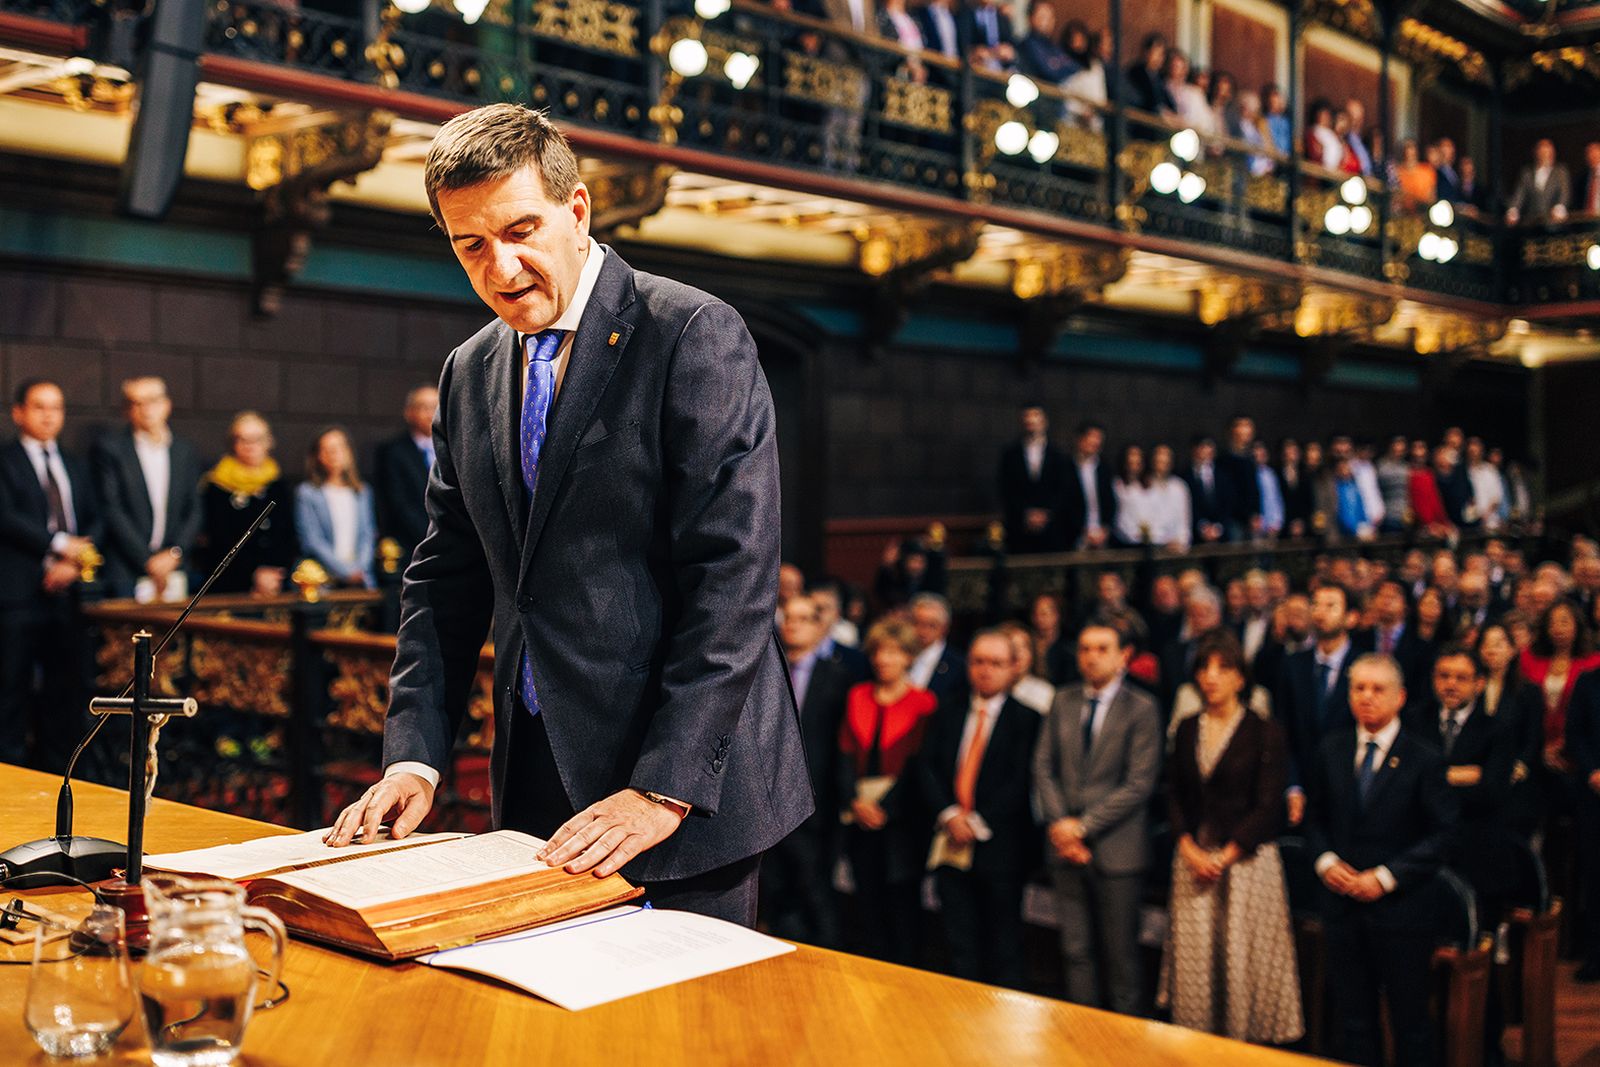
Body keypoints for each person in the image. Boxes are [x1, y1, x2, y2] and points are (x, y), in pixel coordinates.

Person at [326, 105, 812, 925]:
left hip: (681, 782)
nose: (501, 267)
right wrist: (414, 757)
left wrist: (665, 785)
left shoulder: (693, 332)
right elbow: (445, 576)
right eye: (469, 245)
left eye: (521, 229)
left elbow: (732, 583)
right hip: (536, 769)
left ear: (577, 209)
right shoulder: (468, 368)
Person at [1305, 654, 1456, 1067]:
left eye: (1377, 690)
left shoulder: (1423, 757)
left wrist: (1387, 877)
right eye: (1358, 688)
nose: (1366, 698)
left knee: (1411, 1024)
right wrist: (1325, 861)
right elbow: (1313, 818)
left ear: (1400, 697)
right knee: (1353, 1022)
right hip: (1342, 908)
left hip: (1401, 911)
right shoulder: (1331, 748)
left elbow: (1443, 835)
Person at [1161, 631, 1303, 1044]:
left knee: (1242, 962)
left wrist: (1225, 855)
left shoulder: (1265, 731)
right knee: (1198, 967)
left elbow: (1268, 804)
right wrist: (1187, 846)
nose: (1211, 677)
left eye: (1223, 669)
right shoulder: (1187, 728)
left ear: (1241, 678)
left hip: (1245, 862)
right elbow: (1173, 793)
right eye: (1204, 669)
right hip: (1193, 859)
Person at [1033, 623, 1162, 1015]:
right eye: (1085, 648)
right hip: (1063, 846)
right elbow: (1042, 766)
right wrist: (1060, 825)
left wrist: (1082, 827)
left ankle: (1124, 1050)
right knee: (1075, 951)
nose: (1091, 656)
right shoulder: (1063, 699)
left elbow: (1139, 783)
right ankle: (1080, 1041)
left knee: (1120, 956)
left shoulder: (1142, 707)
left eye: (1102, 648)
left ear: (1124, 655)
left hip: (1117, 850)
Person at [918, 631, 1042, 987]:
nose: (986, 670)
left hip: (1000, 847)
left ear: (1013, 667)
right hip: (949, 840)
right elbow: (926, 766)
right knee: (958, 941)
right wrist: (949, 814)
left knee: (1003, 944)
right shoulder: (949, 709)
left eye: (996, 663)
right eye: (979, 661)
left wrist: (974, 821)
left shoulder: (1027, 718)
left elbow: (1021, 780)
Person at [0, 379, 102, 772]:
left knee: (64, 698)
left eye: (56, 407)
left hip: (70, 597)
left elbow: (96, 518)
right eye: (39, 406)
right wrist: (59, 544)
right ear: (18, 412)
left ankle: (57, 781)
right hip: (18, 596)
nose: (48, 415)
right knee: (11, 695)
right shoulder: (6, 460)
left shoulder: (74, 463)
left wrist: (74, 562)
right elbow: (7, 517)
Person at [838, 618, 938, 964]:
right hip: (858, 817)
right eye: (879, 651)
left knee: (903, 905)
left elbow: (920, 766)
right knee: (867, 902)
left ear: (909, 657)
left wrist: (886, 810)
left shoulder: (924, 703)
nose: (884, 659)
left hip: (904, 824)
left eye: (894, 652)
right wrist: (855, 800)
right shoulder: (857, 696)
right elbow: (844, 755)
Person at [764, 593, 852, 947]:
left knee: (816, 892)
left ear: (821, 626)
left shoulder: (838, 676)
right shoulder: (769, 670)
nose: (793, 625)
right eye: (789, 618)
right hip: (771, 801)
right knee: (776, 891)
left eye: (803, 618)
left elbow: (841, 748)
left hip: (818, 804)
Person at [91, 375, 203, 601]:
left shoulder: (185, 450)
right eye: (136, 403)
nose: (146, 409)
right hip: (127, 569)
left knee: (175, 634)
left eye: (152, 400)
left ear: (167, 404)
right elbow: (111, 509)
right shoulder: (111, 449)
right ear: (126, 410)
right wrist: (147, 560)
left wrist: (175, 553)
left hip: (175, 567)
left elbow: (194, 509)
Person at [1278, 583, 1364, 827]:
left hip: (1352, 789)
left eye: (1331, 606)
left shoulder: (1365, 665)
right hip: (1303, 790)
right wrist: (1292, 786)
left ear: (1351, 617)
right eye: (1315, 604)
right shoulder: (1293, 665)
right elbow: (1285, 730)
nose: (1320, 612)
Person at [196, 411, 297, 596]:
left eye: (257, 439)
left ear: (268, 442)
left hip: (275, 585)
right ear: (233, 443)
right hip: (232, 586)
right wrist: (254, 574)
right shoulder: (216, 485)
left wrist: (273, 572)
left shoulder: (278, 484)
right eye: (242, 439)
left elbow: (288, 535)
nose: (250, 446)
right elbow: (219, 539)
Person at [295, 426, 377, 589]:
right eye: (327, 450)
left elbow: (368, 534)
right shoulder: (308, 493)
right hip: (323, 578)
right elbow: (312, 539)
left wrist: (360, 568)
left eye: (339, 448)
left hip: (360, 577)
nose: (334, 455)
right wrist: (345, 571)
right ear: (317, 455)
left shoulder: (361, 491)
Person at [373, 385, 439, 566]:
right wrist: (433, 535)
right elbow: (399, 503)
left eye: (435, 407)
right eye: (424, 407)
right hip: (411, 547)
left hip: (450, 546)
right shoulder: (393, 452)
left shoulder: (453, 451)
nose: (430, 413)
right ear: (409, 412)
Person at [1565, 664, 1600, 980]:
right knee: (1594, 876)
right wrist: (1592, 771)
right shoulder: (1588, 682)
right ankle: (1595, 954)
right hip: (1595, 793)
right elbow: (1575, 732)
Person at [999, 405, 1070, 554]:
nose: (1031, 421)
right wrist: (1026, 514)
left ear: (1044, 422)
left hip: (1051, 529)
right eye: (1027, 418)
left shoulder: (1058, 455)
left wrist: (1046, 514)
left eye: (1035, 417)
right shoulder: (1011, 455)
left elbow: (1062, 489)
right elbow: (1006, 489)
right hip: (1020, 528)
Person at [1505, 139, 1570, 225]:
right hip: (1532, 223)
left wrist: (1560, 208)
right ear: (1536, 153)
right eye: (1542, 152)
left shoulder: (1561, 172)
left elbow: (1564, 193)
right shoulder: (1526, 173)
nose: (1545, 155)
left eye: (1548, 152)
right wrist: (1512, 211)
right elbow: (1519, 194)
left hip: (1555, 223)